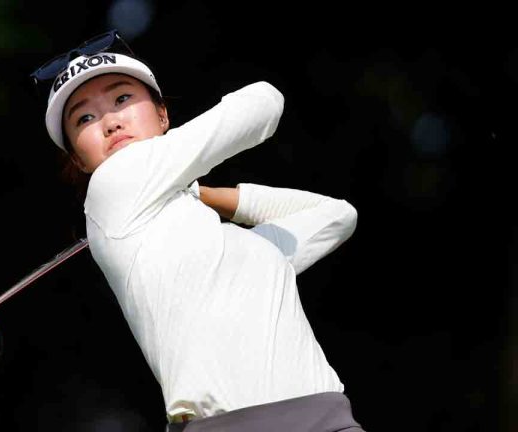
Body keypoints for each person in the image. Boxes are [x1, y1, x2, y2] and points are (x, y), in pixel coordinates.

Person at [31, 29, 364, 432]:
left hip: (329, 421)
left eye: (122, 99)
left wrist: (202, 193)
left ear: (163, 115)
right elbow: (263, 104)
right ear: (79, 160)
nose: (111, 122)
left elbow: (335, 215)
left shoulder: (243, 249)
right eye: (85, 118)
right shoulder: (111, 182)